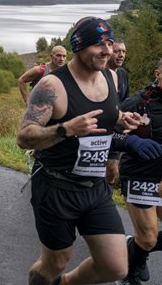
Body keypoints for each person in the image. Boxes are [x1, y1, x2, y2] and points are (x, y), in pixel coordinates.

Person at [16, 16, 149, 285]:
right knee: (56, 261)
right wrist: (65, 129)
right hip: (56, 187)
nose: (108, 51)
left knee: (115, 266)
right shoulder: (52, 86)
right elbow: (24, 137)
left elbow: (108, 113)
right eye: (98, 45)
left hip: (95, 186)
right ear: (78, 46)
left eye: (110, 43)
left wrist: (121, 119)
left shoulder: (110, 76)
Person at [115, 59, 162, 285]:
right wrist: (131, 140)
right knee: (149, 238)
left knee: (146, 241)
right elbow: (107, 130)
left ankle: (137, 247)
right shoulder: (139, 101)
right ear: (158, 74)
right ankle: (129, 273)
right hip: (140, 174)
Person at [107, 39, 129, 185]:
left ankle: (105, 195)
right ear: (109, 53)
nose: (121, 55)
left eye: (123, 51)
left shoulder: (123, 74)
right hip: (99, 128)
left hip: (117, 129)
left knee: (113, 169)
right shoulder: (99, 73)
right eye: (117, 51)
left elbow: (126, 100)